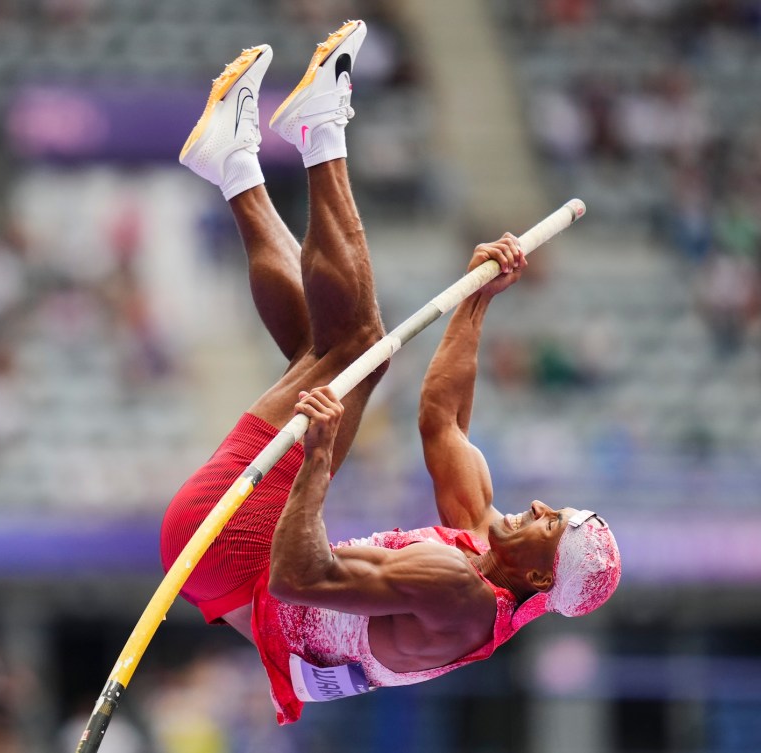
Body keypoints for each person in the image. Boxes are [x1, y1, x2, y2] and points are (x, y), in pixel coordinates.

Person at [161, 20, 621, 725]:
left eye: (548, 522)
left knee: (361, 344)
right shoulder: (486, 545)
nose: (536, 506)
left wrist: (317, 461)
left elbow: (299, 576)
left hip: (239, 553)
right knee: (331, 349)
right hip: (235, 579)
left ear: (537, 576)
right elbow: (443, 419)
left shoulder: (457, 592)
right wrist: (475, 298)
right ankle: (234, 166)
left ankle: (320, 132)